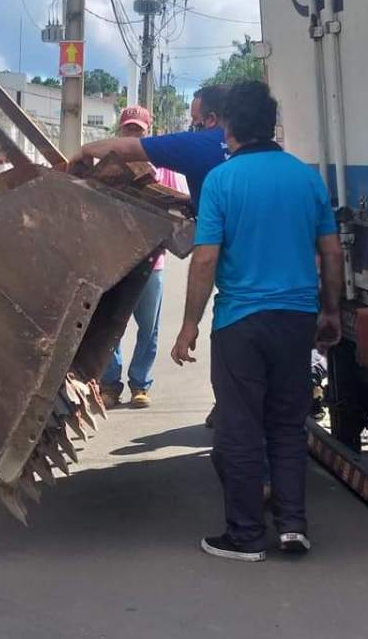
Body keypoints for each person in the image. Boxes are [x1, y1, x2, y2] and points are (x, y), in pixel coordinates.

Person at [170, 81, 343, 562]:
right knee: (288, 424)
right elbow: (332, 253)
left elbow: (206, 258)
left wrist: (189, 324)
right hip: (297, 319)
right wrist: (330, 310)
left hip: (241, 324)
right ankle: (292, 525)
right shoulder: (306, 179)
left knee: (241, 428)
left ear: (228, 127)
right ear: (271, 125)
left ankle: (246, 536)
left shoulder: (222, 181)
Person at [99, 106, 188, 410]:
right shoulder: (107, 166)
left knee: (148, 327)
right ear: (120, 130)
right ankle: (110, 385)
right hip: (114, 259)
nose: (132, 134)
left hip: (152, 261)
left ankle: (140, 384)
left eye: (138, 130)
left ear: (148, 133)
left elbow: (181, 209)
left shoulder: (166, 170)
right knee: (110, 325)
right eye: (128, 128)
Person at [70, 85, 230, 213]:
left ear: (211, 119)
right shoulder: (240, 146)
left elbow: (128, 149)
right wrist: (193, 201)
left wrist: (85, 150)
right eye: (128, 129)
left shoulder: (196, 144)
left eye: (195, 119)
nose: (193, 124)